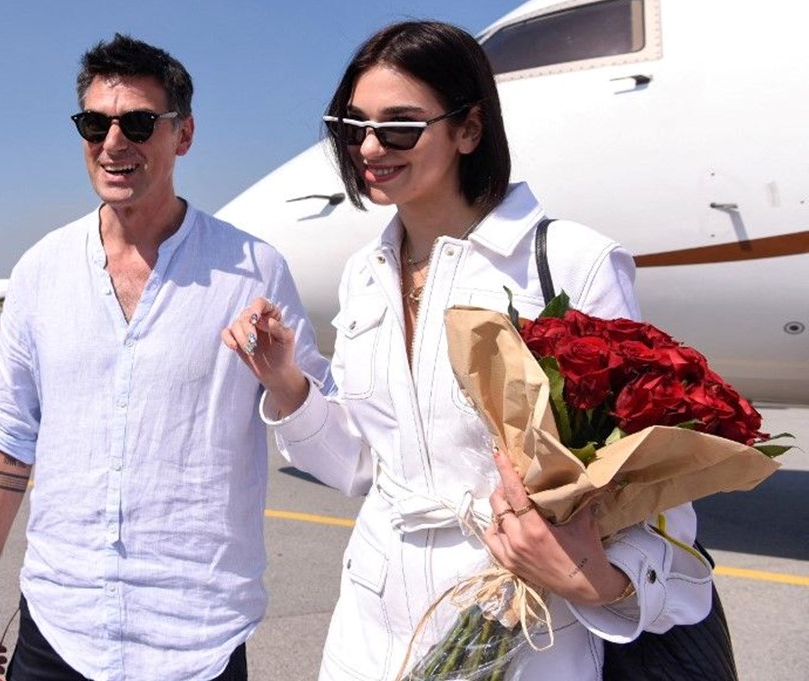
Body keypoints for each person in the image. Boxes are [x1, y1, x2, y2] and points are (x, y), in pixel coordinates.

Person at [222, 21, 714, 680]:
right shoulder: (365, 275)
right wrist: (287, 385)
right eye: (353, 126)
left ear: (469, 130)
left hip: (524, 628)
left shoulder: (571, 262)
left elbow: (654, 492)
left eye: (400, 126)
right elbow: (364, 468)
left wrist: (599, 579)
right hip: (368, 633)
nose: (370, 146)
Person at [0, 34, 330, 681]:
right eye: (94, 124)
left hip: (194, 634)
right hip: (60, 622)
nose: (113, 142)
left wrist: (285, 380)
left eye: (138, 123)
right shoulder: (41, 270)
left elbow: (318, 432)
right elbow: (10, 434)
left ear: (183, 135)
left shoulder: (252, 270)